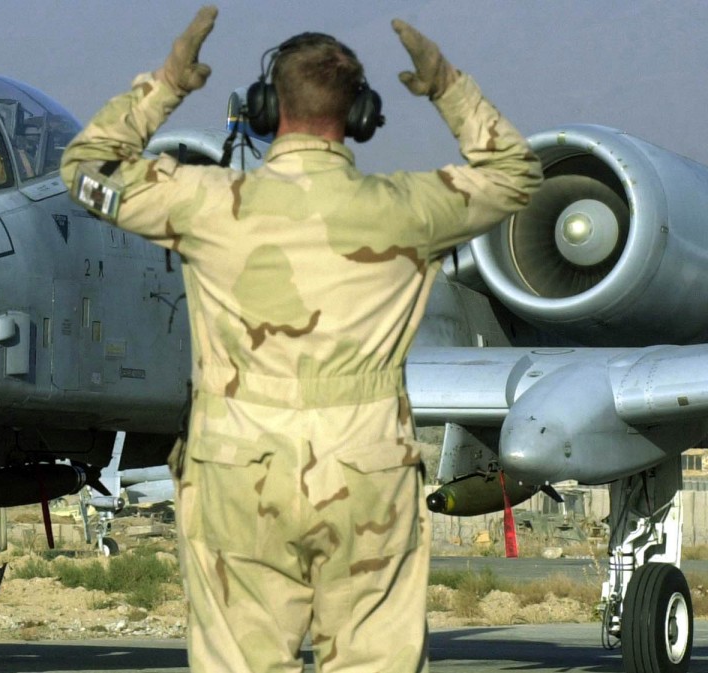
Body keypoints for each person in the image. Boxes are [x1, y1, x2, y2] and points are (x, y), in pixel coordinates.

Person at [60, 7, 541, 673]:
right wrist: (447, 86)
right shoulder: (407, 207)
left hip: (239, 463)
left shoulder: (207, 201)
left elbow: (86, 168)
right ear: (361, 116)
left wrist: (168, 82)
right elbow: (517, 173)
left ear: (266, 108)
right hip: (365, 465)